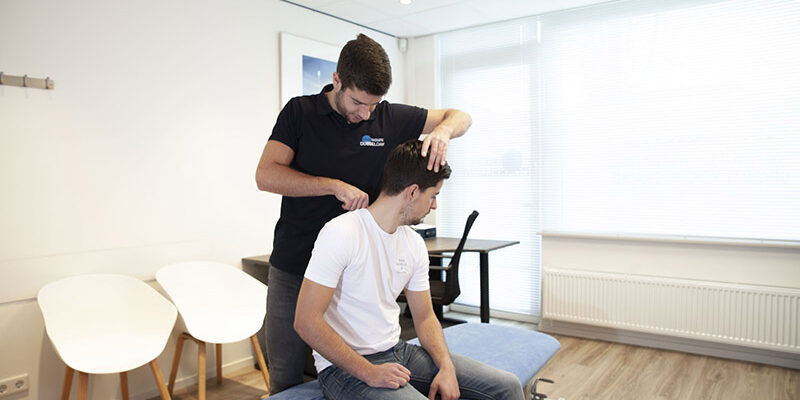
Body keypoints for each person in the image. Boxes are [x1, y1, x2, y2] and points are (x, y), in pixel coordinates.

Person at [255, 33, 472, 394]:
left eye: (374, 104)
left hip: (356, 271)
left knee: (351, 371)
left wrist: (445, 131)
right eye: (358, 102)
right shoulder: (300, 112)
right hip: (296, 264)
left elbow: (459, 115)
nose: (366, 113)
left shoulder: (387, 118)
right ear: (337, 80)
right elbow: (266, 175)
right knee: (286, 373)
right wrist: (332, 185)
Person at [294, 140, 524, 400]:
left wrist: (446, 367)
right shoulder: (342, 232)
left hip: (398, 351)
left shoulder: (413, 242)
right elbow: (306, 321)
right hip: (344, 368)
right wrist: (369, 372)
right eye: (433, 195)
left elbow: (425, 317)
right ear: (413, 192)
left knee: (507, 386)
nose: (434, 205)